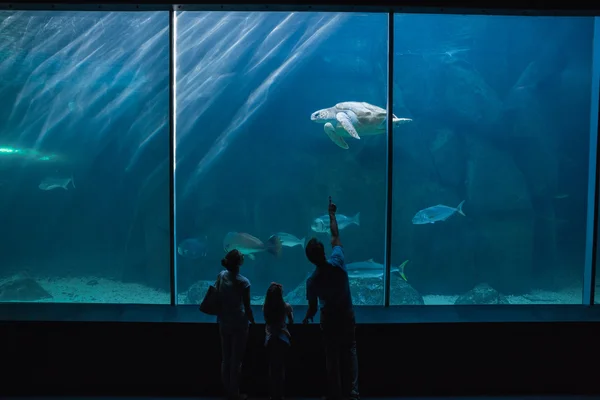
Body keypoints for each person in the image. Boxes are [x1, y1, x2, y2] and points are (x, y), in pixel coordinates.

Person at [303, 196, 359, 400]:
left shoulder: (312, 280)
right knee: (350, 350)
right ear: (324, 251)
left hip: (329, 320)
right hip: (346, 315)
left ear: (309, 259)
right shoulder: (338, 261)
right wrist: (332, 214)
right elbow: (335, 236)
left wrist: (308, 316)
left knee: (332, 356)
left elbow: (312, 307)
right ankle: (353, 392)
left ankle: (334, 394)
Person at [217, 249, 255, 400]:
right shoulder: (244, 282)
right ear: (240, 263)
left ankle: (226, 390)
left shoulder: (221, 276)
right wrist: (252, 320)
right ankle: (235, 393)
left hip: (224, 322)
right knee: (236, 360)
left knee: (225, 358)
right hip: (239, 324)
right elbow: (247, 306)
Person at [263, 282, 294, 400]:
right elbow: (291, 321)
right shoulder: (286, 306)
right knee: (281, 367)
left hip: (270, 338)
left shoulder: (265, 307)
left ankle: (272, 394)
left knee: (272, 366)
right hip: (282, 338)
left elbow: (267, 322)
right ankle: (280, 394)